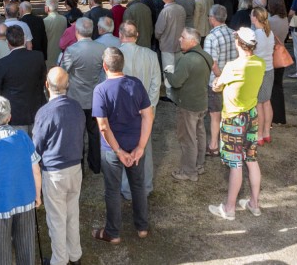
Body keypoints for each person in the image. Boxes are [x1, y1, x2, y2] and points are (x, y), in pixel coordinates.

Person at [91, 47, 154, 243]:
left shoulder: (101, 90)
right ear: (122, 64)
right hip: (135, 144)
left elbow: (103, 126)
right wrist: (141, 146)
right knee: (138, 185)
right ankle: (142, 227)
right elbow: (148, 116)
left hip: (112, 149)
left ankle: (113, 232)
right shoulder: (136, 84)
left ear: (104, 66)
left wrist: (118, 151)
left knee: (112, 189)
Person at [0, 96, 42, 265]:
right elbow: (36, 170)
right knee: (26, 249)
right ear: (9, 117)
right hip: (25, 200)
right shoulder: (23, 137)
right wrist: (37, 195)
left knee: (1, 253)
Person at [208, 27, 265, 220]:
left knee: (236, 164)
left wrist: (217, 82)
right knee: (252, 159)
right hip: (251, 115)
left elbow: (217, 86)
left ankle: (229, 208)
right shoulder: (260, 63)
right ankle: (254, 204)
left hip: (233, 118)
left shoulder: (233, 66)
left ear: (238, 43)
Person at [33, 67, 85, 265]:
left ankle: (59, 260)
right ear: (68, 85)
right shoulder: (77, 107)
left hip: (54, 172)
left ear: (47, 85)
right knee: (73, 214)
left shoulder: (45, 112)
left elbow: (37, 145)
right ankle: (75, 255)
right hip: (75, 168)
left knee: (56, 219)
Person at [117, 20, 161, 199]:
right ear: (137, 36)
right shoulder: (151, 55)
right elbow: (156, 83)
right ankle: (145, 185)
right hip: (146, 108)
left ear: (120, 35)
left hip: (122, 110)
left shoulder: (114, 55)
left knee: (122, 146)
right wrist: (149, 106)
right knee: (145, 146)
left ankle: (127, 188)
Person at [164, 28, 212, 182]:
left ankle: (189, 172)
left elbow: (176, 82)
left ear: (192, 41)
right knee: (200, 134)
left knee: (188, 139)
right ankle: (199, 165)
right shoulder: (206, 56)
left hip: (188, 106)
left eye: (182, 37)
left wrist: (168, 73)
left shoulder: (187, 59)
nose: (179, 39)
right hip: (201, 102)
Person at [61, 18, 107, 174]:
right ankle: (95, 165)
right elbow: (104, 72)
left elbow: (63, 71)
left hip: (76, 98)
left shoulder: (72, 50)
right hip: (95, 97)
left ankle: (79, 166)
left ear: (77, 31)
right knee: (94, 133)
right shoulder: (102, 48)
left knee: (77, 134)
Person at [0, 25, 48, 135]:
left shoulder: (2, 63)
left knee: (19, 144)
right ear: (24, 39)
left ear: (8, 42)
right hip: (37, 108)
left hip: (15, 113)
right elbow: (43, 79)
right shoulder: (38, 56)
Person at [204, 5, 238, 156]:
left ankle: (214, 145)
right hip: (233, 80)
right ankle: (229, 142)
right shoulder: (234, 33)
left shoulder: (211, 37)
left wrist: (220, 78)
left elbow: (212, 63)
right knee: (229, 113)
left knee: (215, 114)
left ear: (212, 18)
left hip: (216, 82)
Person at [251, 7, 275, 145]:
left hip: (258, 70)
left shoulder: (255, 34)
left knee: (258, 104)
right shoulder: (269, 32)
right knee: (267, 101)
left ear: (255, 18)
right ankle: (266, 133)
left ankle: (259, 135)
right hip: (269, 69)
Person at [155, 0, 187, 89]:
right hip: (180, 45)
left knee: (168, 73)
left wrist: (159, 38)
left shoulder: (165, 11)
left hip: (167, 46)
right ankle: (178, 90)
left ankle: (170, 93)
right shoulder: (181, 9)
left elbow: (158, 30)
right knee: (178, 71)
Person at [267, 0, 290, 125]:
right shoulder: (285, 19)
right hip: (281, 52)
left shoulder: (270, 21)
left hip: (272, 54)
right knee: (278, 86)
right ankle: (280, 116)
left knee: (270, 87)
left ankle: (271, 116)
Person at [44, 0, 68, 69]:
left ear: (47, 8)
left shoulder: (45, 21)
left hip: (49, 52)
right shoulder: (64, 19)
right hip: (61, 52)